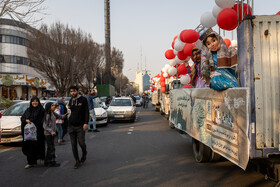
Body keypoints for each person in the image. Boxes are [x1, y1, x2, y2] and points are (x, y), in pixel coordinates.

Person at [21, 97, 45, 169]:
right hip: (29, 133)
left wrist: (31, 120)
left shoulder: (41, 110)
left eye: (36, 101)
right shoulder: (28, 110)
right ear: (31, 102)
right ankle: (31, 162)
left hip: (39, 132)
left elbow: (41, 120)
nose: (35, 103)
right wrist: (26, 120)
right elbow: (22, 118)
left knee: (39, 146)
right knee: (29, 147)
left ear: (38, 102)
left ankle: (41, 158)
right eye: (33, 101)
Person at [68, 86, 89, 169]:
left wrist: (86, 123)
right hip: (71, 126)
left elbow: (86, 111)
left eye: (74, 91)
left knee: (81, 143)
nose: (72, 93)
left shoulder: (83, 99)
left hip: (80, 126)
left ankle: (84, 153)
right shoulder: (70, 101)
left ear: (77, 91)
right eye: (71, 92)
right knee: (73, 144)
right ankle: (77, 161)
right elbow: (69, 112)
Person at [43, 103, 68, 167]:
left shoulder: (53, 113)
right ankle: (50, 161)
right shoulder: (47, 115)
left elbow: (60, 117)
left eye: (54, 105)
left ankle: (48, 161)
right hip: (48, 134)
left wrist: (66, 114)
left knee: (51, 147)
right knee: (51, 147)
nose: (54, 106)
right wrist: (51, 131)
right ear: (49, 107)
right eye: (52, 105)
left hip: (52, 133)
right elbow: (45, 126)